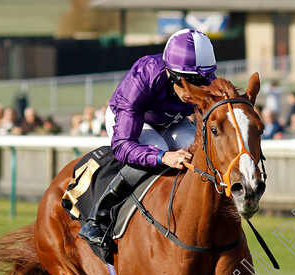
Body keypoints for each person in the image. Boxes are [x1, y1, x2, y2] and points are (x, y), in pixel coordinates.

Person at [79, 28, 218, 249]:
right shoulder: (143, 78)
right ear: (172, 74)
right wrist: (163, 157)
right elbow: (123, 146)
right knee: (157, 147)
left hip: (171, 119)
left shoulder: (205, 79)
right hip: (133, 120)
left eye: (202, 80)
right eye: (190, 81)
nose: (197, 89)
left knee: (195, 150)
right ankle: (99, 218)